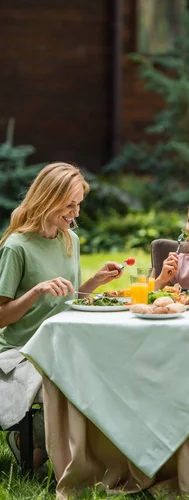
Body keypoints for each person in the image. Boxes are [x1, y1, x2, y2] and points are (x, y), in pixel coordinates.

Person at [0, 162, 123, 471]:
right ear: (47, 199)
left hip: (64, 342)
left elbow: (66, 299)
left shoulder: (71, 240)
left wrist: (94, 284)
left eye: (78, 204)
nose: (76, 213)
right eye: (70, 205)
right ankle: (47, 445)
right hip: (22, 350)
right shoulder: (17, 247)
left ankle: (95, 455)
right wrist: (35, 291)